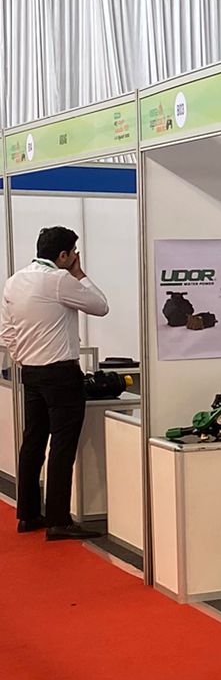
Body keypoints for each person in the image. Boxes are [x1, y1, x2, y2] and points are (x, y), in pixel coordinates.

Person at [1, 225, 109, 540]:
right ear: (63, 255)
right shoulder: (60, 280)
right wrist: (79, 273)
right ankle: (59, 520)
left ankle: (28, 514)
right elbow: (101, 306)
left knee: (33, 442)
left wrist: (23, 358)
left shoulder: (14, 281)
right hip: (61, 374)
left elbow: (7, 332)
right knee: (62, 445)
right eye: (73, 252)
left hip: (31, 372)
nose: (75, 256)